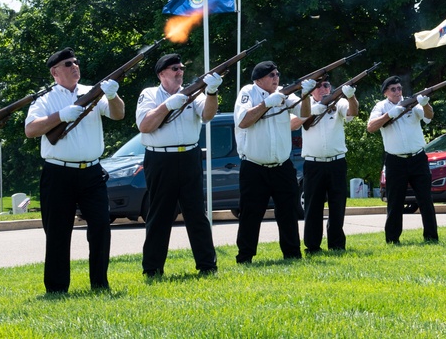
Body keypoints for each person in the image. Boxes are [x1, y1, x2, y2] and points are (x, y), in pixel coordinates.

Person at [25, 47, 124, 293]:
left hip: (91, 172)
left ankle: (100, 283)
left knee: (101, 226)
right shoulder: (45, 99)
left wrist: (112, 96)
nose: (75, 66)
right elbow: (31, 129)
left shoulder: (93, 93)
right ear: (55, 72)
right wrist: (60, 116)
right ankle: (57, 288)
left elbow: (118, 115)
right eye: (68, 64)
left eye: (76, 62)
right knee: (58, 231)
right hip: (58, 172)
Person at [135, 54, 220, 277]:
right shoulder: (150, 94)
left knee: (196, 214)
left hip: (189, 156)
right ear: (161, 74)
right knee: (159, 215)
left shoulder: (194, 93)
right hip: (161, 159)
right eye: (174, 69)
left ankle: (207, 265)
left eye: (181, 68)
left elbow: (208, 114)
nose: (180, 72)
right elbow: (145, 125)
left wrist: (211, 92)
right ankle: (152, 268)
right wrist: (166, 106)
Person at [234, 61, 315, 263]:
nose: (276, 78)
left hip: (282, 165)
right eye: (271, 75)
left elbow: (304, 114)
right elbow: (243, 120)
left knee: (288, 212)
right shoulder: (248, 92)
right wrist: (267, 103)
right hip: (254, 165)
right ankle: (245, 256)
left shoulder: (282, 93)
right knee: (251, 214)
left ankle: (292, 253)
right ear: (259, 79)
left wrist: (305, 94)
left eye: (277, 74)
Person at [367, 76, 438, 244]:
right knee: (395, 201)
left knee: (425, 199)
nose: (398, 92)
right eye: (393, 89)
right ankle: (392, 239)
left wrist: (425, 103)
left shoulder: (412, 104)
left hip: (417, 158)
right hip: (395, 160)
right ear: (385, 92)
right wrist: (389, 115)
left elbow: (429, 117)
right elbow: (371, 127)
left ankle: (431, 236)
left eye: (399, 88)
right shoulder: (381, 107)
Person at [297, 75, 358, 254]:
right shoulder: (305, 105)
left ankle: (337, 243)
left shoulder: (338, 103)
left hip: (336, 162)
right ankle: (312, 245)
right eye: (318, 86)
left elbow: (352, 112)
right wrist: (315, 110)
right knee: (313, 206)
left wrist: (351, 96)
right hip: (313, 163)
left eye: (326, 85)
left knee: (337, 205)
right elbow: (293, 123)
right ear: (311, 90)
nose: (323, 89)